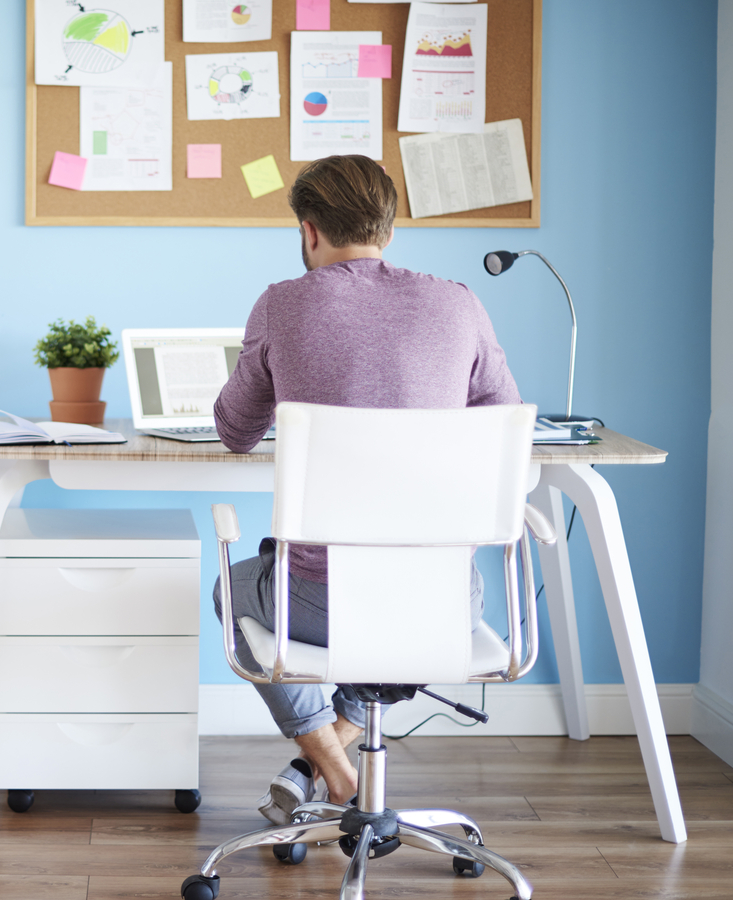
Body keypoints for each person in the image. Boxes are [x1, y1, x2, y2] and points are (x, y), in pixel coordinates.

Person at [212, 154, 522, 824]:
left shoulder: (281, 304)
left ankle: (330, 770)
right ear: (388, 228)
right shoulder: (460, 303)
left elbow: (234, 431)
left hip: (317, 606)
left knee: (230, 587)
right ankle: (331, 768)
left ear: (309, 231)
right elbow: (504, 428)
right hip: (444, 603)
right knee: (397, 623)